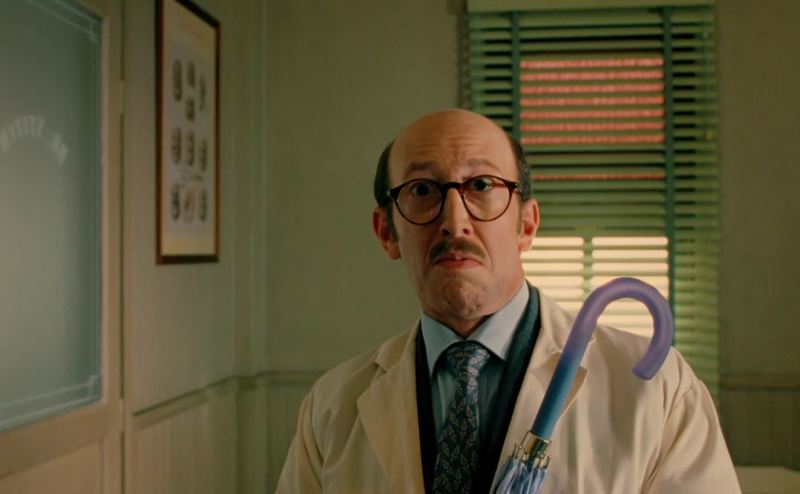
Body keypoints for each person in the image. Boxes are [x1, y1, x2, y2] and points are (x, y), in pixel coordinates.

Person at [276, 109, 740, 493]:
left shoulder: (658, 391)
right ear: (386, 232)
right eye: (422, 190)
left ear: (527, 225)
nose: (454, 221)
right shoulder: (331, 409)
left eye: (481, 186)